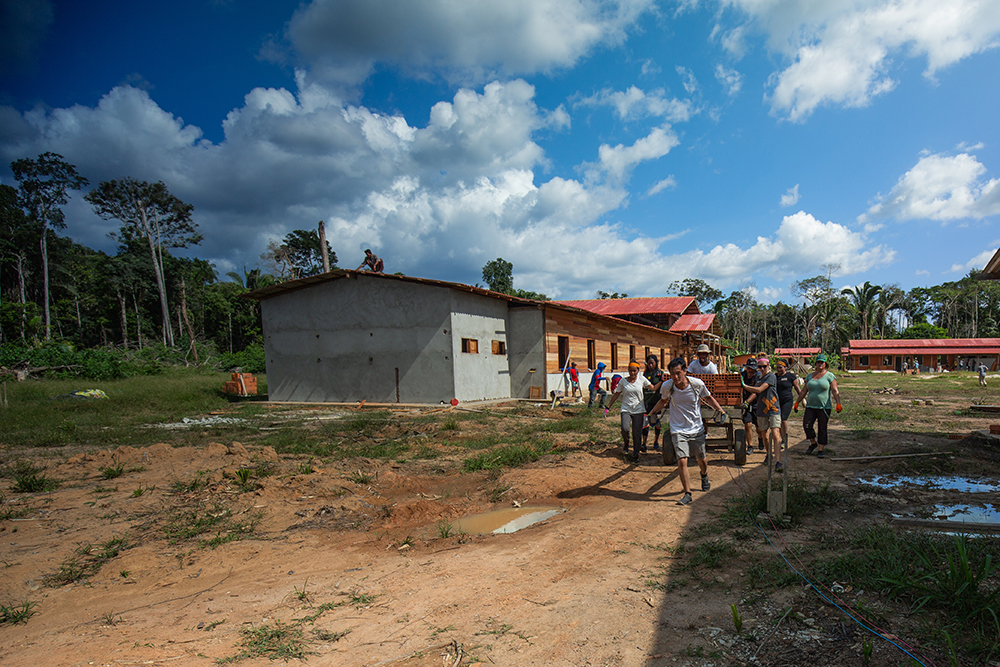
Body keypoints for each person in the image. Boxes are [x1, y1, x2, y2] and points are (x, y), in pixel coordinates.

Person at [646, 357, 726, 506]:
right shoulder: (667, 386)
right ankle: (687, 493)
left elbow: (708, 398)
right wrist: (651, 413)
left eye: (678, 373)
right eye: (672, 374)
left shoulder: (697, 384)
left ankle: (704, 475)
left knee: (701, 458)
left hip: (696, 428)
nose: (675, 377)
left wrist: (720, 410)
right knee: (682, 460)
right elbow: (663, 401)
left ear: (684, 371)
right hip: (677, 428)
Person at [794, 353, 842, 459]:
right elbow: (803, 391)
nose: (820, 364)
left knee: (822, 428)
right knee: (807, 425)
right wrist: (797, 402)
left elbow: (834, 390)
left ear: (825, 364)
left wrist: (838, 403)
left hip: (824, 407)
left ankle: (820, 449)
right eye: (818, 362)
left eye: (822, 362)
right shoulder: (810, 376)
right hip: (811, 406)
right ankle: (813, 443)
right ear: (815, 364)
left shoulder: (830, 376)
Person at [605, 361, 653, 463]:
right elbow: (616, 394)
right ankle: (626, 443)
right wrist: (608, 406)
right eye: (630, 371)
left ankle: (635, 455)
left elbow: (653, 388)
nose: (632, 373)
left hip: (639, 410)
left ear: (638, 371)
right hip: (626, 409)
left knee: (637, 433)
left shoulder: (642, 380)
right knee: (625, 428)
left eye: (634, 371)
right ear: (628, 371)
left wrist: (663, 382)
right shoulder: (623, 381)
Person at [742, 357, 782, 472]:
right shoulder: (758, 378)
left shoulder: (771, 377)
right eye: (760, 367)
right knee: (764, 434)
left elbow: (759, 390)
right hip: (761, 410)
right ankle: (769, 454)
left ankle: (778, 461)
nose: (762, 368)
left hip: (773, 409)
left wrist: (744, 385)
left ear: (769, 365)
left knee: (775, 434)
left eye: (764, 366)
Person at [774, 360, 801, 447]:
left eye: (780, 368)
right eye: (777, 367)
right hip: (776, 401)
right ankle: (780, 438)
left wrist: (801, 400)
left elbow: (797, 388)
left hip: (787, 401)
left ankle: (784, 439)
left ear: (785, 367)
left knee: (783, 419)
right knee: (777, 420)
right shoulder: (774, 377)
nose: (778, 369)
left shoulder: (790, 376)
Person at [642, 354, 665, 451]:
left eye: (652, 363)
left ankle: (656, 441)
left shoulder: (660, 374)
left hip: (657, 402)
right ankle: (644, 443)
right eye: (649, 363)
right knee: (645, 422)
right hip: (647, 402)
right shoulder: (645, 374)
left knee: (657, 422)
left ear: (656, 363)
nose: (650, 365)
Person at [739, 359, 758, 455]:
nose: (750, 371)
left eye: (752, 369)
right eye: (749, 368)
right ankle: (750, 446)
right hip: (746, 405)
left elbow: (755, 392)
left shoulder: (758, 377)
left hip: (757, 404)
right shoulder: (742, 375)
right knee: (748, 424)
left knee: (759, 427)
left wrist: (747, 401)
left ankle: (761, 438)